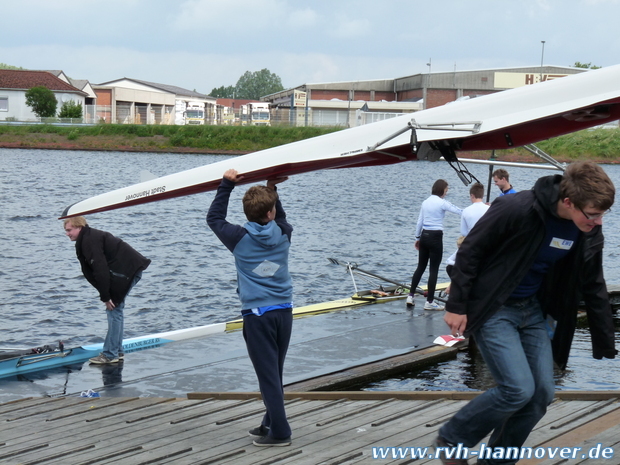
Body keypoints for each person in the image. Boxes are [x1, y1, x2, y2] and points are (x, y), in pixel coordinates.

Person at [434, 161, 617, 465]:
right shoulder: (517, 208)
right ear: (568, 202)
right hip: (494, 306)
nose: (598, 221)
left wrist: (605, 338)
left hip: (532, 310)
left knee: (541, 393)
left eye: (602, 214)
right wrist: (456, 306)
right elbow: (470, 251)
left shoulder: (585, 229)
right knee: (517, 389)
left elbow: (593, 280)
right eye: (593, 214)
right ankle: (452, 439)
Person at [207, 169, 294, 448]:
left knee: (267, 376)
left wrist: (226, 185)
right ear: (270, 212)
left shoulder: (238, 238)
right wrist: (272, 190)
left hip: (258, 316)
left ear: (247, 215)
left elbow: (214, 218)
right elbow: (278, 217)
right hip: (284, 311)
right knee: (275, 372)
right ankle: (270, 421)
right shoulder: (284, 232)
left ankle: (280, 432)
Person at [64, 216, 150, 365]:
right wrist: (105, 294)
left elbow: (100, 269)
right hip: (124, 270)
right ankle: (117, 350)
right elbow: (97, 271)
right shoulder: (87, 238)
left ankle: (110, 354)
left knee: (114, 309)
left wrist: (105, 296)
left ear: (79, 227)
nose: (67, 234)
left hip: (126, 271)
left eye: (69, 230)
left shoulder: (89, 241)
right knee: (116, 309)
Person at [406, 179, 462, 310]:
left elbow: (419, 221)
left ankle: (410, 295)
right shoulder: (442, 203)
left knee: (420, 267)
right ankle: (430, 302)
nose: (446, 193)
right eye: (446, 191)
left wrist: (417, 237)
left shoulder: (425, 202)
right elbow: (459, 211)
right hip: (436, 237)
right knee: (434, 269)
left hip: (424, 235)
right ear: (442, 190)